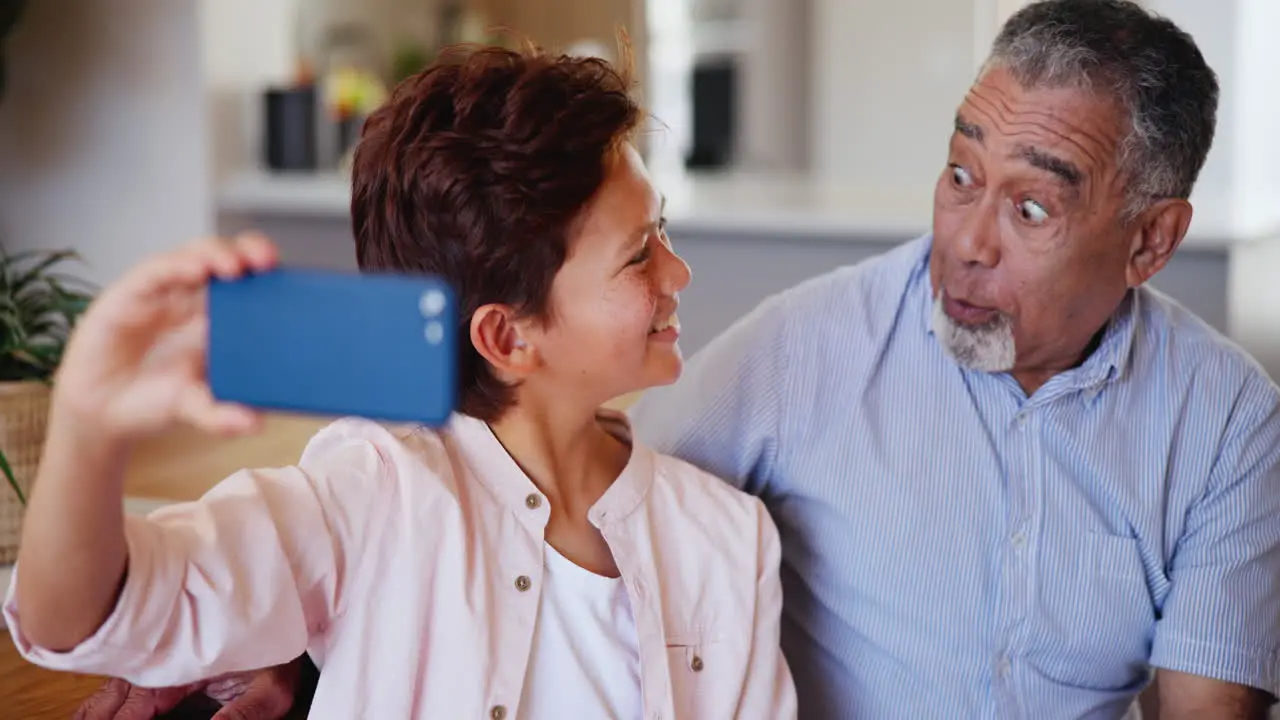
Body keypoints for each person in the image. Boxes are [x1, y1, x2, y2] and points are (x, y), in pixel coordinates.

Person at [64, 0, 1280, 718]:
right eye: (959, 174)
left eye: (1028, 208)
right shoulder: (792, 359)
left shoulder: (1225, 423)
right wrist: (280, 626)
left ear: (1150, 240)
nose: (960, 239)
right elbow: (523, 492)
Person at [5, 42, 796, 719]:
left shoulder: (727, 539)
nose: (679, 271)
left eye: (663, 230)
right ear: (506, 336)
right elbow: (87, 619)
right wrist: (87, 424)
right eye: (638, 255)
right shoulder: (371, 492)